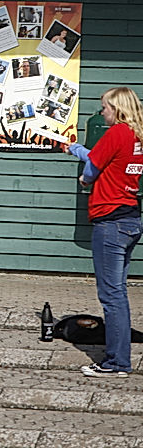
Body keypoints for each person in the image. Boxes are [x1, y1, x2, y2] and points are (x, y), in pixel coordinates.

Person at [66, 87, 143, 378]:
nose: (102, 112)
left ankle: (117, 363)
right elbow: (112, 164)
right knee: (118, 293)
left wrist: (83, 171)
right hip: (130, 218)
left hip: (110, 221)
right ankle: (119, 359)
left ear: (118, 108)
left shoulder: (117, 133)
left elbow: (92, 169)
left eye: (105, 107)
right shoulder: (137, 136)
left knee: (111, 296)